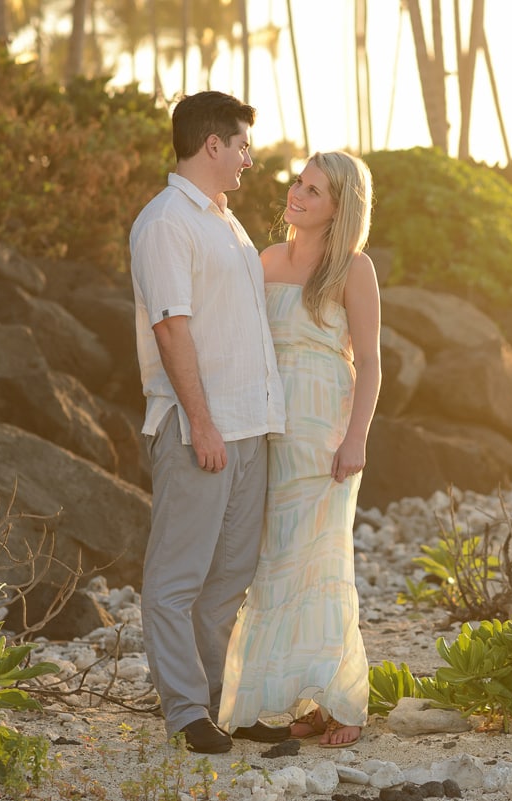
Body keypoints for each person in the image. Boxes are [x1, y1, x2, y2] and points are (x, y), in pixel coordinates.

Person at [129, 90, 293, 754]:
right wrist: (200, 422)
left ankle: (225, 700)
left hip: (250, 425)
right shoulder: (167, 221)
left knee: (229, 575)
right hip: (203, 425)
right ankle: (187, 710)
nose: (251, 159)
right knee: (176, 575)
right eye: (244, 146)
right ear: (213, 144)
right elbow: (171, 326)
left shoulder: (224, 219)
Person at [217, 151, 381, 748]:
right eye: (298, 182)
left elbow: (370, 366)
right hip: (271, 425)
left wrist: (356, 437)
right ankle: (298, 697)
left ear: (339, 208)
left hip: (325, 432)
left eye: (315, 190)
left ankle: (344, 702)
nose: (298, 194)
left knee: (324, 559)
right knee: (276, 561)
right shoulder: (263, 261)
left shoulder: (353, 270)